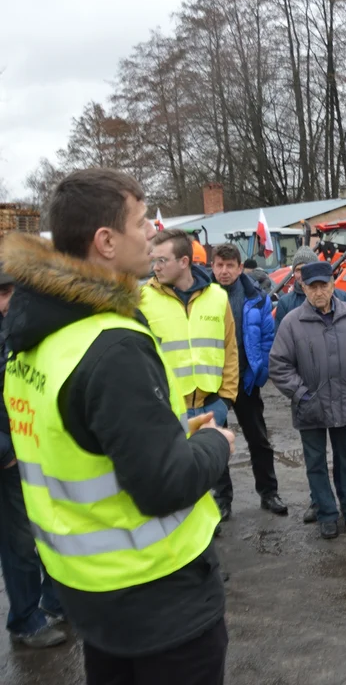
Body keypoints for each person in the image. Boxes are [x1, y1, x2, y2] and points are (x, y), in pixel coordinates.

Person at [1, 168, 234, 683]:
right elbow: (164, 484)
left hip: (91, 593)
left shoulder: (36, 336)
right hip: (159, 596)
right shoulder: (112, 344)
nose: (152, 232)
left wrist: (171, 435)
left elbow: (83, 442)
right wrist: (214, 444)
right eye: (140, 222)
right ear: (105, 241)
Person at [269, 261, 346, 540]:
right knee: (316, 463)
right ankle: (327, 514)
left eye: (324, 285)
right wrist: (302, 394)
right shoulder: (292, 322)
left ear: (333, 286)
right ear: (303, 287)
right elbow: (279, 365)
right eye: (313, 286)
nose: (319, 291)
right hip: (311, 406)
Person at [141, 228, 240, 519]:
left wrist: (226, 399)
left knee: (215, 462)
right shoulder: (142, 299)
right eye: (153, 261)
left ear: (184, 261)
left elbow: (229, 350)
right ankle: (190, 522)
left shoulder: (217, 297)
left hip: (212, 402)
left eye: (162, 260)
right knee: (177, 472)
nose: (155, 267)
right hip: (169, 406)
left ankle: (220, 510)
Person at [0, 264, 67, 649]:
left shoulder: (28, 330)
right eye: (4, 293)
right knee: (20, 541)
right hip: (10, 457)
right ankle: (25, 620)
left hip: (36, 449)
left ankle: (55, 601)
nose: (9, 301)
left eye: (12, 291)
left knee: (49, 527)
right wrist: (5, 452)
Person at [211, 244, 287, 517]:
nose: (224, 271)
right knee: (216, 442)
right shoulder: (202, 296)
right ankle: (222, 500)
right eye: (219, 265)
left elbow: (267, 336)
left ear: (240, 268)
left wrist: (260, 369)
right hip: (213, 383)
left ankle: (269, 493)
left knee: (259, 439)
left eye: (230, 266)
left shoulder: (256, 297)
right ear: (212, 266)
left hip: (245, 379)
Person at [274, 247, 346, 330]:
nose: (302, 274)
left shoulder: (345, 298)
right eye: (298, 270)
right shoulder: (285, 303)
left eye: (306, 269)